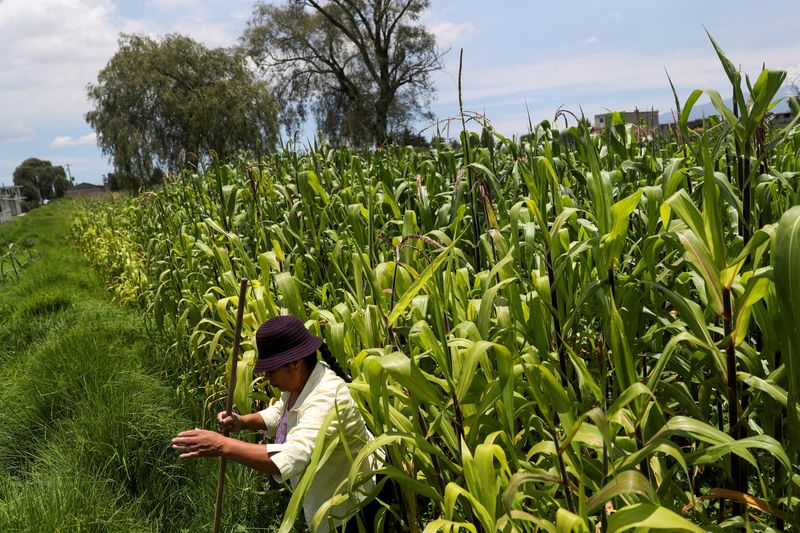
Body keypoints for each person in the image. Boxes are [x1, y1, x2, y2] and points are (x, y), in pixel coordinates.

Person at [172, 314, 379, 532]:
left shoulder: (327, 397)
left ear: (295, 364)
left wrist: (222, 446)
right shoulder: (301, 382)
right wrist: (241, 421)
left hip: (352, 507)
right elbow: (281, 413)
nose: (268, 377)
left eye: (271, 370)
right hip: (328, 496)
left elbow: (292, 456)